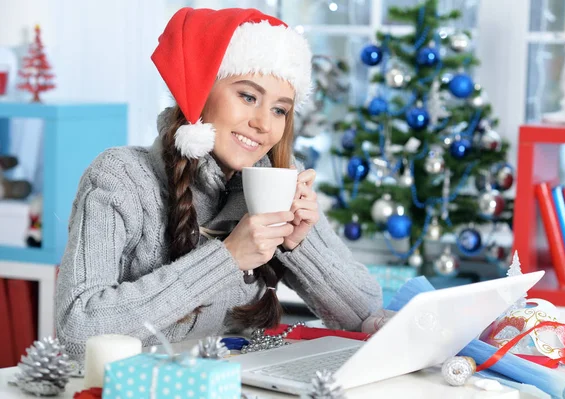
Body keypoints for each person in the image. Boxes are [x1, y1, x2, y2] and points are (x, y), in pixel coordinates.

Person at [55, 7, 382, 362]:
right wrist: (227, 257)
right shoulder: (120, 177)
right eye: (248, 97)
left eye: (279, 110)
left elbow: (366, 315)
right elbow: (78, 330)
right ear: (201, 91)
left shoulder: (279, 175)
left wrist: (299, 246)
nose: (263, 124)